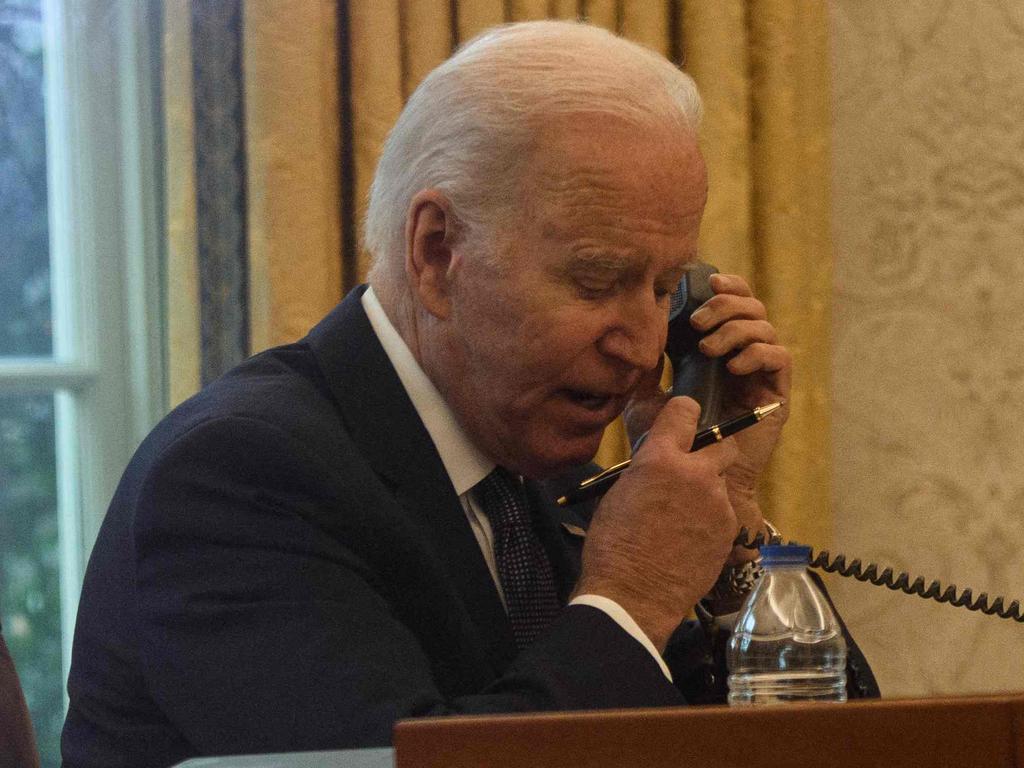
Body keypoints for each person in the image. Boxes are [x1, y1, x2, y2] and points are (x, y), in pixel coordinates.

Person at [62, 20, 877, 768]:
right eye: (597, 281)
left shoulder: (562, 460)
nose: (643, 343)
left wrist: (727, 511)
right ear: (436, 250)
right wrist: (632, 596)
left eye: (666, 287)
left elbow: (851, 753)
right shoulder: (240, 477)